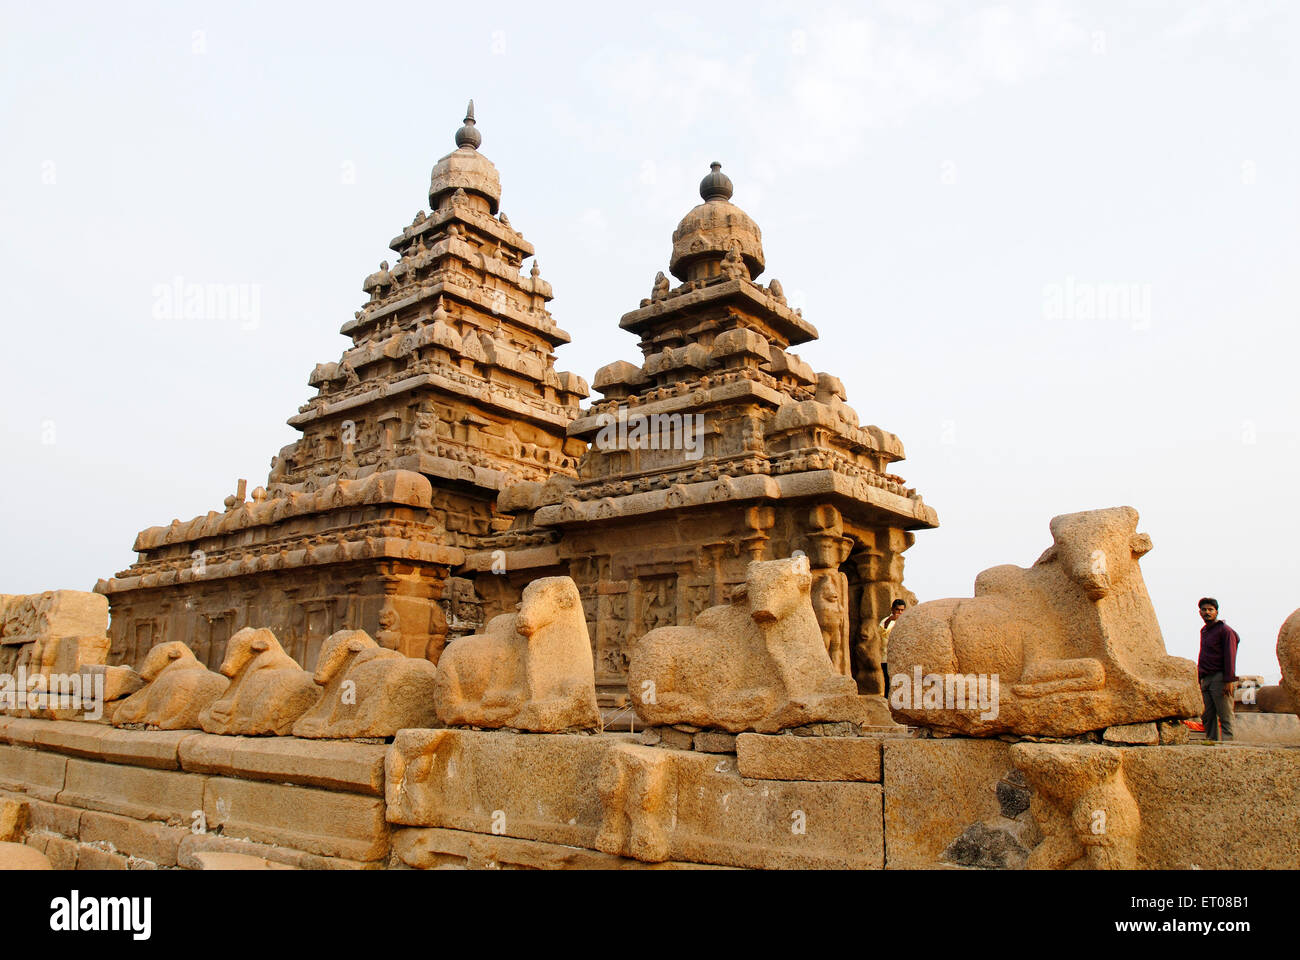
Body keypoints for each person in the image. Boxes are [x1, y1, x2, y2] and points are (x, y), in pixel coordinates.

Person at [1196, 597, 1239, 742]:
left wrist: (1229, 680)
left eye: (1210, 610)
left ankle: (1228, 744)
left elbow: (1230, 655)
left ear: (1216, 612)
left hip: (1220, 677)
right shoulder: (1205, 631)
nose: (1207, 612)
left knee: (1225, 713)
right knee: (1207, 715)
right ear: (1199, 612)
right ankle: (1211, 741)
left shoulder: (1225, 631)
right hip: (1206, 678)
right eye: (1204, 610)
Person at [879, 599, 907, 691]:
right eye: (897, 610)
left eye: (902, 610)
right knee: (888, 682)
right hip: (886, 657)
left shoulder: (905, 622)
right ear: (892, 610)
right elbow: (882, 632)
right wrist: (890, 620)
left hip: (900, 658)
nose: (900, 612)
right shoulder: (886, 621)